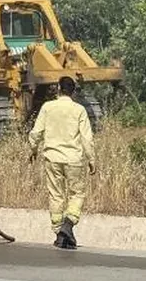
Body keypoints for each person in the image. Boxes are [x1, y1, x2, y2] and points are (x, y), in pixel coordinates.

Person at [27, 76, 96, 249]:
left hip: (52, 158)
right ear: (73, 91)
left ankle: (60, 234)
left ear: (58, 88)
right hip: (74, 159)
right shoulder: (79, 110)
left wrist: (33, 150)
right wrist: (92, 159)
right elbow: (86, 138)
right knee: (77, 194)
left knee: (56, 195)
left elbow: (36, 132)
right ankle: (68, 225)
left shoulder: (47, 107)